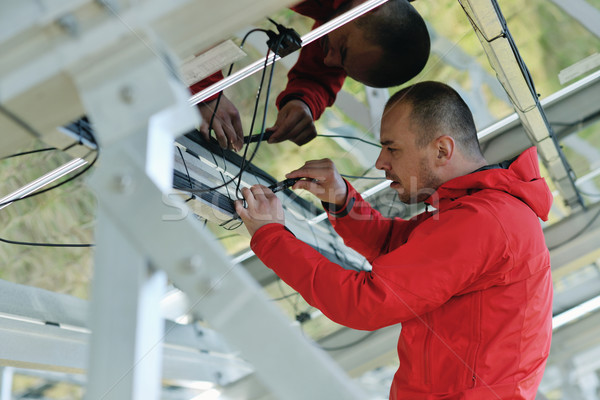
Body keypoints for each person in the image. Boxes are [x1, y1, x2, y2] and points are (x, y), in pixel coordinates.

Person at [234, 81, 553, 399]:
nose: (380, 163)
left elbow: (362, 303)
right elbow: (398, 247)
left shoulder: (485, 221)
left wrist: (271, 236)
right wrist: (342, 200)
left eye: (392, 148)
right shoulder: (479, 209)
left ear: (442, 150)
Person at [191, 0, 430, 151]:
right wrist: (206, 88)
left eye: (344, 66)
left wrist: (303, 102)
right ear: (364, 5)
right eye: (343, 50)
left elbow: (323, 73)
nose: (328, 60)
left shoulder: (364, 15)